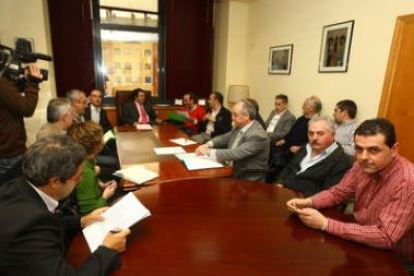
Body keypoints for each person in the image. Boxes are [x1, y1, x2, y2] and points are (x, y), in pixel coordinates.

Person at [286, 119, 414, 274]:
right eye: (359, 149)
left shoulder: (408, 181)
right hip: (360, 242)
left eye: (374, 150)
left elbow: (386, 237)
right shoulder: (361, 165)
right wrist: (308, 202)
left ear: (394, 149)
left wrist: (325, 224)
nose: (363, 157)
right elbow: (339, 192)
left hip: (395, 260)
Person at [0, 135, 130, 276]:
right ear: (55, 182)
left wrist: (81, 221)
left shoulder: (17, 185)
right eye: (78, 177)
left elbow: (49, 221)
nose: (80, 181)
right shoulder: (28, 227)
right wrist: (108, 249)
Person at [275, 116, 352, 196]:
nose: (314, 138)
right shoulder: (305, 148)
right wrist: (279, 183)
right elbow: (289, 167)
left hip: (306, 203)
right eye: (311, 133)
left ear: (332, 135)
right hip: (283, 194)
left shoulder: (341, 161)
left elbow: (330, 195)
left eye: (320, 134)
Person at [195, 100, 269, 181]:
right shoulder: (240, 125)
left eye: (235, 115)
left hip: (246, 178)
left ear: (246, 116)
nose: (232, 118)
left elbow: (236, 153)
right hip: (231, 168)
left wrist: (207, 152)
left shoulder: (258, 135)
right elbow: (225, 138)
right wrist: (208, 144)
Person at [0, 64, 42, 179]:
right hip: (9, 154)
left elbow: (9, 99)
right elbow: (26, 108)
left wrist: (22, 83)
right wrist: (33, 83)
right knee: (14, 191)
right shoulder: (2, 83)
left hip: (6, 152)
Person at [68, 122, 118, 215]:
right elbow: (89, 213)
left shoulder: (86, 159)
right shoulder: (85, 172)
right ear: (95, 146)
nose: (103, 141)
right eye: (101, 139)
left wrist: (102, 185)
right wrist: (105, 196)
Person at [268, 96, 322, 175]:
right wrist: (284, 140)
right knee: (269, 148)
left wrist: (301, 148)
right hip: (288, 145)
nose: (301, 107)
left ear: (311, 108)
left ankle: (274, 180)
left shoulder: (316, 122)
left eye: (304, 105)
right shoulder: (301, 119)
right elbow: (291, 133)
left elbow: (313, 141)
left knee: (277, 157)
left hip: (298, 149)